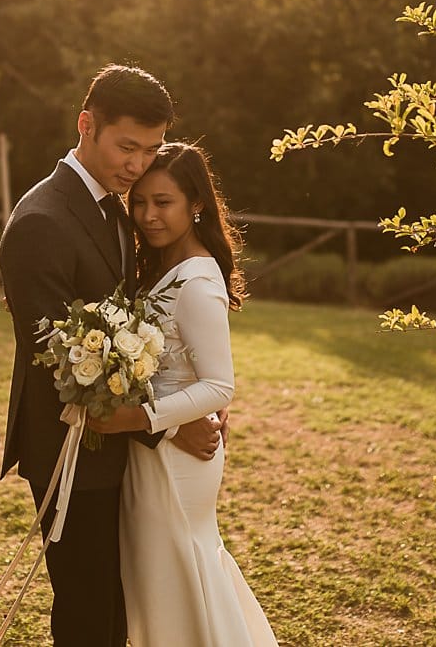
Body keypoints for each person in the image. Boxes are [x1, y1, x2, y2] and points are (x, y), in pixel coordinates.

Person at [0, 65, 226, 647]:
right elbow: (59, 359)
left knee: (120, 603)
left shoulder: (116, 209)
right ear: (86, 125)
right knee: (88, 606)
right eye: (127, 147)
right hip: (73, 446)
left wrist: (180, 403)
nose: (138, 164)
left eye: (150, 151)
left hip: (116, 445)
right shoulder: (41, 221)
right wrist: (166, 427)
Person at [88, 142, 278, 646]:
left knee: (179, 574)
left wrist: (138, 419)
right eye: (141, 202)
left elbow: (219, 385)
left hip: (178, 459)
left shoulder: (195, 279)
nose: (149, 215)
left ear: (195, 204)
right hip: (159, 449)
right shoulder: (164, 267)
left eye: (164, 202)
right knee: (169, 577)